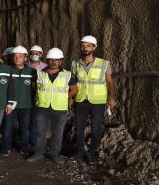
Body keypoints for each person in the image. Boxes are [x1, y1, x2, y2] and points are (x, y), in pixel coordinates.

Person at [72, 35, 117, 165]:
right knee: (79, 127)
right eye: (83, 45)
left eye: (88, 46)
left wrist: (111, 97)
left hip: (98, 101)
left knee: (96, 127)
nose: (85, 48)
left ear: (94, 48)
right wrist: (71, 98)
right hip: (80, 99)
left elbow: (109, 81)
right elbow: (73, 82)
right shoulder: (75, 64)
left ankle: (91, 153)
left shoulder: (104, 64)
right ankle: (80, 151)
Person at [27, 48, 78, 164]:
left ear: (61, 61)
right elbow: (34, 88)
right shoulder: (39, 73)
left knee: (58, 133)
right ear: (47, 60)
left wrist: (64, 97)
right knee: (41, 132)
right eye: (51, 59)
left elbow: (74, 90)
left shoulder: (68, 75)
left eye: (57, 60)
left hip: (59, 108)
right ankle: (38, 153)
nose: (54, 62)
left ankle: (55, 155)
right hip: (42, 107)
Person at [0, 46, 36, 156]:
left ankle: (23, 147)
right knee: (7, 128)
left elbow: (35, 89)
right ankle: (6, 148)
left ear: (26, 58)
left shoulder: (32, 71)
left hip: (26, 105)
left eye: (20, 56)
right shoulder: (7, 70)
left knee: (25, 129)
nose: (17, 58)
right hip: (10, 105)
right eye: (15, 56)